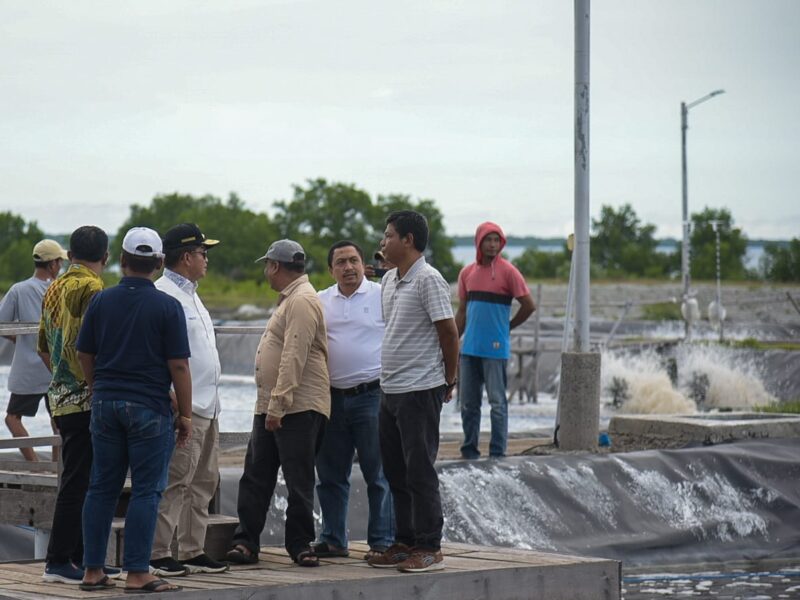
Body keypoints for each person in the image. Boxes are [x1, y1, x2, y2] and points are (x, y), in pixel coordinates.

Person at [76, 227, 192, 593]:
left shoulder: (101, 301)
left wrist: (99, 388)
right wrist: (186, 414)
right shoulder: (168, 306)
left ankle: (93, 570)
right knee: (146, 490)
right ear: (159, 263)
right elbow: (179, 367)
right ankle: (138, 572)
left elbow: (84, 354)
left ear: (123, 261)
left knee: (101, 487)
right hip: (150, 407)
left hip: (106, 404)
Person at [225, 239, 330, 568]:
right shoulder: (291, 299)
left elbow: (293, 356)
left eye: (266, 266)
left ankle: (300, 544)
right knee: (256, 475)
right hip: (272, 405)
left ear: (274, 266)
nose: (266, 272)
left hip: (294, 407)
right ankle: (246, 542)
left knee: (297, 480)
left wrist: (278, 405)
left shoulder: (301, 300)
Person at [367, 210, 459, 573]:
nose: (382, 242)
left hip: (420, 389)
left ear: (408, 240)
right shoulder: (390, 280)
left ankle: (429, 546)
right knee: (395, 471)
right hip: (390, 388)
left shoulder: (429, 279)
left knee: (419, 470)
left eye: (388, 235)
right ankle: (403, 542)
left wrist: (448, 380)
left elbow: (449, 333)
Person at [149, 223, 228, 577]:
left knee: (204, 481)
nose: (206, 259)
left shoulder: (191, 293)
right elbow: (159, 354)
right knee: (176, 480)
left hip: (208, 406)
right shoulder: (164, 294)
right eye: (202, 253)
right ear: (185, 257)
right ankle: (160, 551)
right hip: (185, 407)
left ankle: (193, 549)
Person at [312, 240, 394, 561]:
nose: (349, 267)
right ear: (331, 269)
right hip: (331, 397)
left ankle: (383, 541)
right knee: (330, 474)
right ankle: (333, 538)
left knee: (379, 473)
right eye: (341, 262)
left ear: (364, 264)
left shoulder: (381, 295)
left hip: (371, 395)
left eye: (354, 260)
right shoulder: (320, 301)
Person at [37, 226, 109, 584]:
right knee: (81, 481)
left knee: (80, 478)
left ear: (68, 254)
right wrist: (92, 385)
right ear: (106, 258)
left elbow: (43, 346)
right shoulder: (94, 289)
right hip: (87, 398)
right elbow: (94, 346)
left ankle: (84, 559)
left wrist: (62, 379)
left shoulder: (53, 287)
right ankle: (60, 560)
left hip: (60, 397)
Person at [455, 222, 535, 459]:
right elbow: (462, 312)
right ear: (478, 242)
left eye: (496, 240)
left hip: (495, 349)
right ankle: (469, 449)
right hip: (469, 349)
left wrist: (508, 326)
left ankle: (497, 452)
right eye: (487, 240)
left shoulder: (509, 271)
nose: (492, 245)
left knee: (498, 404)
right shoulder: (466, 273)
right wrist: (451, 341)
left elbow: (529, 305)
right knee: (468, 405)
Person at [0, 240, 66, 461]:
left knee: (12, 418)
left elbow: (2, 324)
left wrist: (22, 341)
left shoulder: (19, 290)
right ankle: (57, 468)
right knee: (58, 421)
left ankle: (33, 462)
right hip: (55, 368)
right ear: (53, 264)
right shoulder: (61, 290)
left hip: (28, 369)